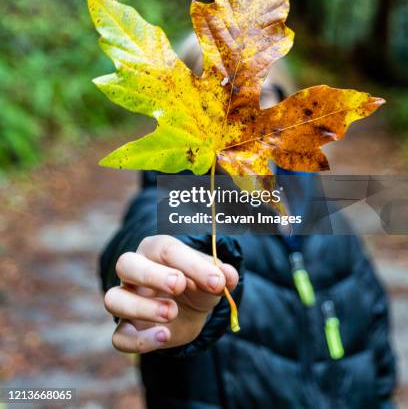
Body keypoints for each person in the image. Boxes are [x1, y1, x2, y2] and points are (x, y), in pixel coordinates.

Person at [99, 36, 396, 409]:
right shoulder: (182, 199)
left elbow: (375, 346)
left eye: (263, 93)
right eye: (221, 96)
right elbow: (152, 226)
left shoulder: (329, 219)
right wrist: (165, 275)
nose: (242, 112)